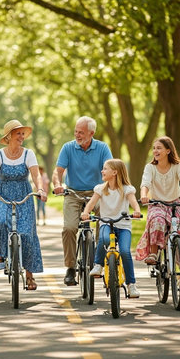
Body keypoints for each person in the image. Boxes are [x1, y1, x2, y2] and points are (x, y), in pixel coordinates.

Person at [0, 119, 47, 290]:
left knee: (26, 233)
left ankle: (30, 276)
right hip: (2, 194)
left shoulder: (28, 154)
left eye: (23, 133)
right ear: (9, 136)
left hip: (24, 195)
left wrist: (40, 189)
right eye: (18, 133)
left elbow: (36, 175)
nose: (22, 136)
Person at [52, 116, 112, 286]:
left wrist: (107, 185)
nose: (77, 135)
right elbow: (58, 171)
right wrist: (57, 184)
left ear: (91, 133)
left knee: (106, 222)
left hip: (97, 193)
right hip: (73, 193)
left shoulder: (102, 148)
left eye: (81, 132)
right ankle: (71, 268)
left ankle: (101, 260)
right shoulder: (68, 148)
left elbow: (110, 169)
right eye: (76, 132)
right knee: (69, 228)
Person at [136, 136, 180, 295]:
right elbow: (145, 184)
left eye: (159, 148)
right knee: (158, 221)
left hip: (175, 204)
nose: (155, 151)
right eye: (154, 148)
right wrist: (144, 195)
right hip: (157, 204)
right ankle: (154, 252)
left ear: (168, 150)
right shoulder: (150, 168)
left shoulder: (177, 167)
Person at [81, 159, 141, 298]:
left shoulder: (127, 189)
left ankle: (131, 285)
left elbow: (134, 203)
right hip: (106, 223)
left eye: (105, 169)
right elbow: (91, 204)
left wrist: (137, 211)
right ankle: (98, 265)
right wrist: (86, 213)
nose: (102, 171)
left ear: (115, 172)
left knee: (125, 252)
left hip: (123, 225)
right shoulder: (101, 189)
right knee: (104, 238)